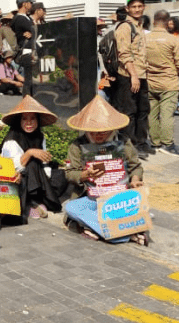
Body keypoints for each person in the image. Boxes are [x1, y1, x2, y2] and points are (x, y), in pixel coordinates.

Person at [62, 96, 148, 245]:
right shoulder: (77, 145)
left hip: (118, 198)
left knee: (133, 206)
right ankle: (124, 235)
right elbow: (70, 173)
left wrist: (135, 181)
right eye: (94, 131)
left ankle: (98, 229)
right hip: (92, 197)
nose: (99, 134)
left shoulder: (123, 142)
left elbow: (136, 167)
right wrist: (85, 175)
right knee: (71, 208)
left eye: (104, 131)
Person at [0, 96, 68, 222]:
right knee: (31, 164)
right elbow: (12, 168)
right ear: (19, 121)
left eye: (33, 118)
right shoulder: (12, 139)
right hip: (18, 180)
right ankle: (29, 203)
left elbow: (44, 161)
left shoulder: (40, 136)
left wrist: (46, 177)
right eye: (24, 119)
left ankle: (40, 199)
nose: (29, 122)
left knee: (60, 175)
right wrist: (30, 153)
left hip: (37, 177)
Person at [145, 10, 179, 156]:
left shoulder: (145, 39)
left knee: (152, 114)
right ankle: (167, 144)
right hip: (169, 83)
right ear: (167, 22)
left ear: (153, 22)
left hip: (150, 81)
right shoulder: (173, 40)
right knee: (166, 115)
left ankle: (154, 142)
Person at [111, 0, 151, 154]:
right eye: (133, 6)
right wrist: (133, 75)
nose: (137, 9)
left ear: (144, 7)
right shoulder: (125, 27)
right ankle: (129, 147)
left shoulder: (139, 27)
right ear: (127, 9)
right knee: (129, 111)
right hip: (128, 76)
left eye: (139, 6)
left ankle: (141, 142)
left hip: (141, 75)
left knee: (143, 110)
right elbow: (124, 53)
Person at [12, 0, 36, 96]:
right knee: (29, 79)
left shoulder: (27, 18)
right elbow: (34, 29)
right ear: (24, 4)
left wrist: (32, 33)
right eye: (30, 2)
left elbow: (33, 31)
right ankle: (27, 101)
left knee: (32, 78)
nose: (31, 5)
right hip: (27, 51)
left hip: (31, 49)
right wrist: (32, 32)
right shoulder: (19, 18)